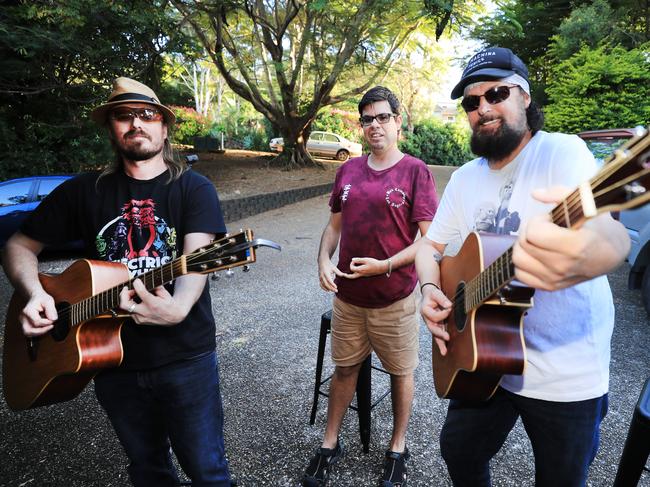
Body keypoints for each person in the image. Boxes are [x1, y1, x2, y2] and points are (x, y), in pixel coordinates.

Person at [2, 77, 233, 487]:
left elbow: (196, 260)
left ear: (164, 127)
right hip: (110, 360)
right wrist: (35, 293)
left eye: (147, 115)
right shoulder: (83, 191)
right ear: (111, 128)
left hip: (186, 358)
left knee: (208, 472)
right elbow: (18, 246)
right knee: (148, 470)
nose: (136, 124)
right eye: (123, 116)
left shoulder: (194, 189)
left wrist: (178, 307)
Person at [415, 47, 631, 486]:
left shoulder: (562, 154)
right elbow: (428, 248)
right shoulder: (464, 178)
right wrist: (428, 290)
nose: (483, 108)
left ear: (525, 97)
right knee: (459, 451)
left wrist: (590, 256)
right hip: (483, 359)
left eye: (496, 93)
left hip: (566, 372)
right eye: (471, 102)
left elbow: (610, 236)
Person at [303, 86, 439, 487]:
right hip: (348, 299)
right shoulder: (347, 171)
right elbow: (334, 227)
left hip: (394, 299)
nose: (374, 125)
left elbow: (429, 240)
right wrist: (323, 259)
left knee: (401, 373)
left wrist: (386, 265)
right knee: (344, 369)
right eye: (367, 119)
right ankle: (330, 443)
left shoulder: (416, 171)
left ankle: (398, 447)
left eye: (382, 117)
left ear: (398, 121)